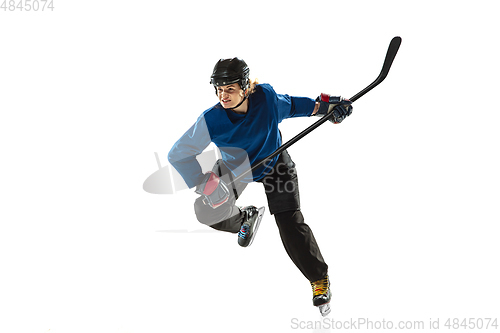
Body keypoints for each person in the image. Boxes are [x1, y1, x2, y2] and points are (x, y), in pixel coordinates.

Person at [168, 58, 352, 315]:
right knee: (206, 211)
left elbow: (297, 105)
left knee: (289, 222)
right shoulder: (211, 120)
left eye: (230, 88)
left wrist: (328, 108)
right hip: (236, 168)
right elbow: (178, 154)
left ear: (245, 86)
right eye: (219, 89)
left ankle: (318, 279)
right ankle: (246, 217)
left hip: (275, 163)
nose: (224, 95)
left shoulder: (266, 99)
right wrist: (204, 182)